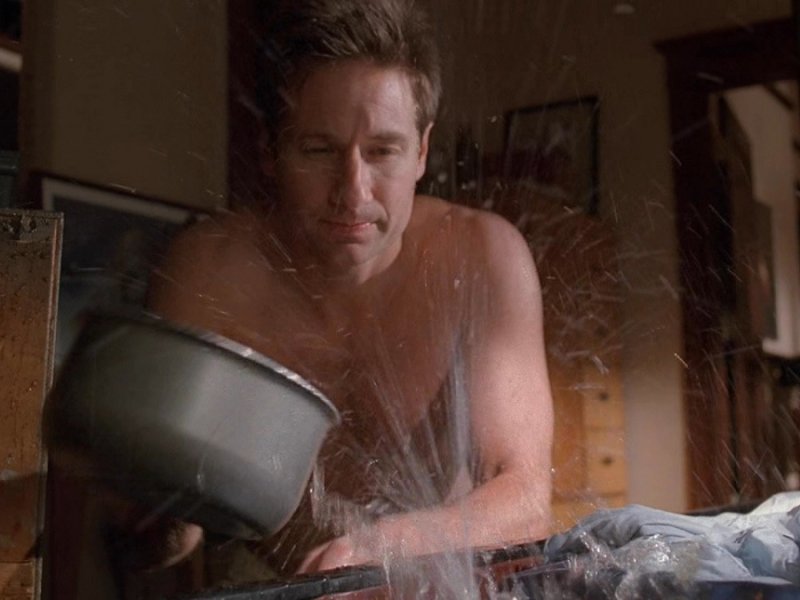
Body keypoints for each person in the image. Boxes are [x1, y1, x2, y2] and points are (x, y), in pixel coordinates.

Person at [147, 0, 553, 579]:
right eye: (319, 150)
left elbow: (527, 498)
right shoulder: (209, 270)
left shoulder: (482, 257)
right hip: (273, 586)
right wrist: (156, 515)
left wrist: (378, 549)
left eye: (383, 151)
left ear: (422, 152)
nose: (353, 192)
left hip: (436, 584)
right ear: (269, 151)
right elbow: (164, 541)